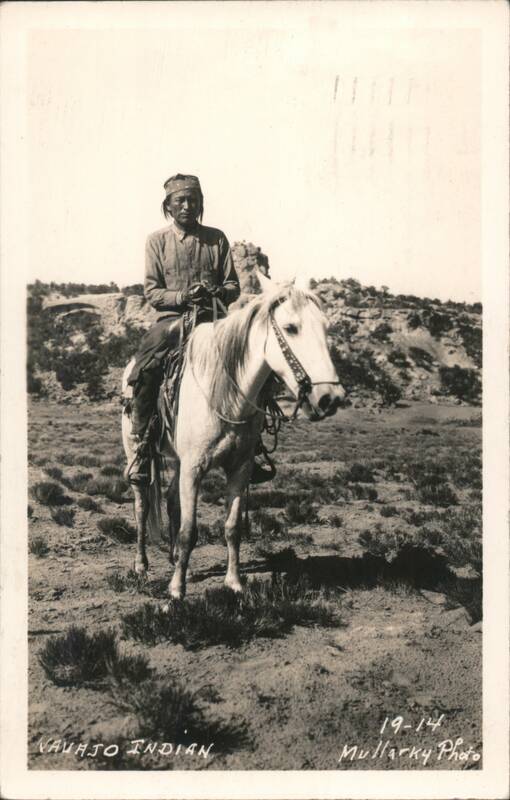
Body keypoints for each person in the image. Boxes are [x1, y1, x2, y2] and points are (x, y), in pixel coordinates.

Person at [125, 173, 274, 484]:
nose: (187, 206)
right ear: (167, 205)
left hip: (213, 320)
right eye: (180, 200)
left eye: (193, 200)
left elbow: (232, 285)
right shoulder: (157, 241)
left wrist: (218, 292)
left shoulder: (216, 238)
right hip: (171, 322)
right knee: (147, 368)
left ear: (201, 203)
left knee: (257, 366)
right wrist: (182, 296)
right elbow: (152, 292)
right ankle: (142, 445)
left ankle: (253, 445)